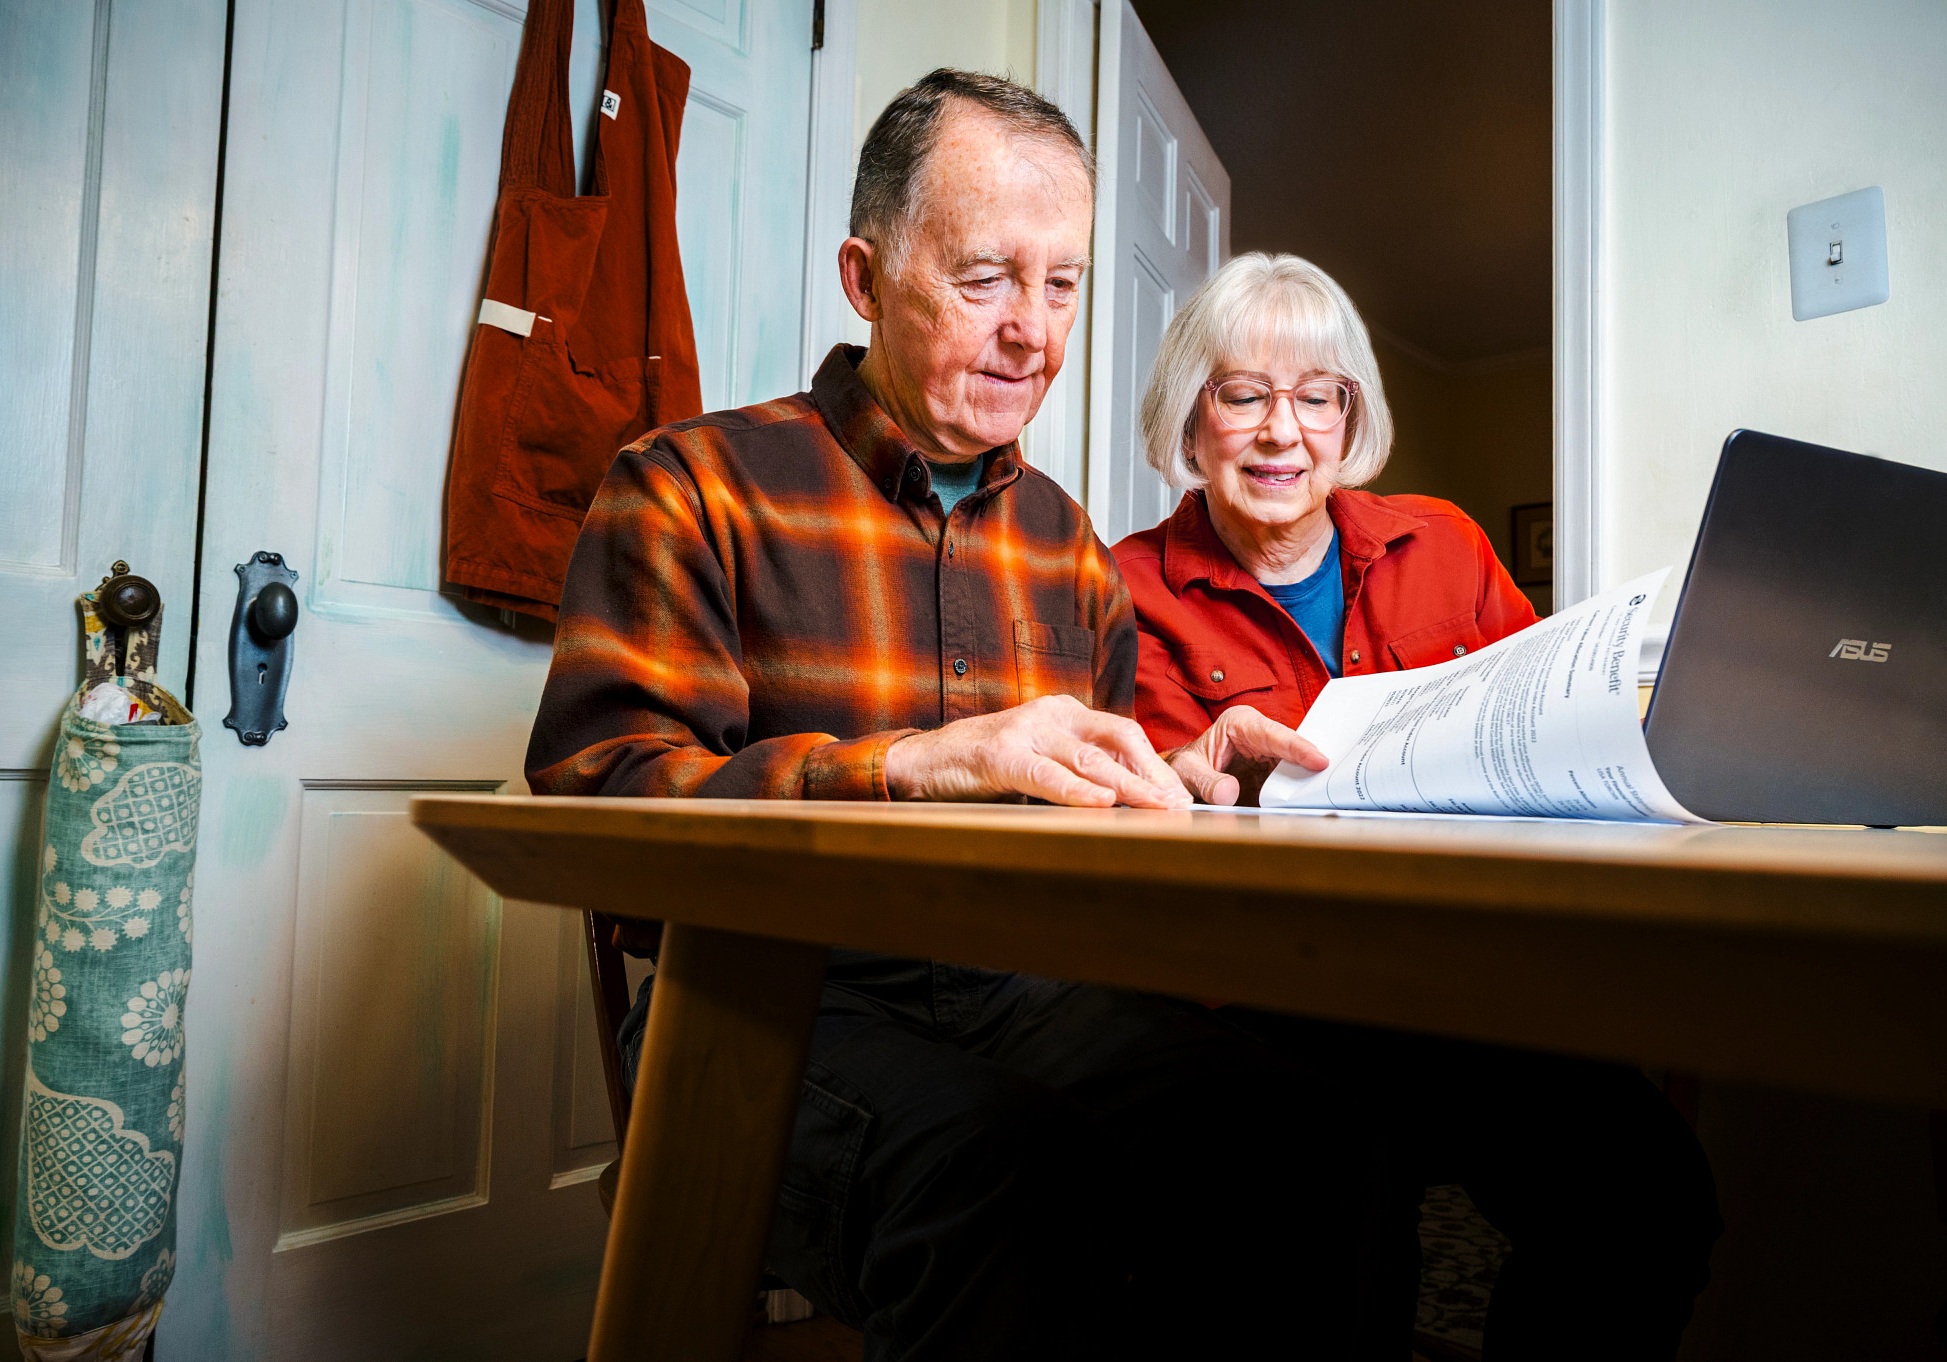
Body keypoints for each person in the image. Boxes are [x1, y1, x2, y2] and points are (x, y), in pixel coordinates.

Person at [528, 74, 1393, 1361]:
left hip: (1018, 993)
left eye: (1062, 286)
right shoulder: (690, 488)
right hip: (766, 1001)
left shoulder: (1068, 549)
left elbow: (1080, 835)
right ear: (866, 278)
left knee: (1315, 1148)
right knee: (1012, 1177)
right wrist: (905, 767)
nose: (1033, 334)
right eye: (987, 277)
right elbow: (604, 801)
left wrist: (1174, 777)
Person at [1113, 252, 1725, 1358]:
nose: (1279, 431)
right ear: (1188, 424)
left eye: (1315, 396)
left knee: (1648, 1199)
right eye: (1241, 394)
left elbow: (1528, 728)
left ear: (1350, 419)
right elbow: (1131, 813)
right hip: (1261, 994)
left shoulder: (1440, 542)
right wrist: (1189, 771)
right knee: (1339, 1216)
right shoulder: (1123, 587)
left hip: (1454, 974)